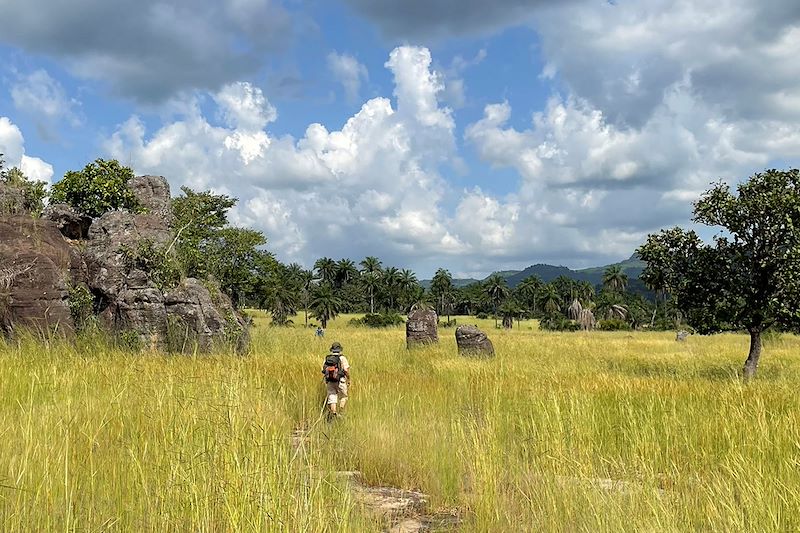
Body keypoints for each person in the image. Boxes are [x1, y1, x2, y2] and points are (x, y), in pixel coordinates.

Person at [321, 342, 349, 417]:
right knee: (344, 396)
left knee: (332, 396)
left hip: (330, 381)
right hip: (341, 380)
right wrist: (349, 379)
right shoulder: (342, 358)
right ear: (340, 349)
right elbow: (346, 370)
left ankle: (334, 413)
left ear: (332, 349)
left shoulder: (327, 358)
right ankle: (340, 412)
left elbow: (323, 370)